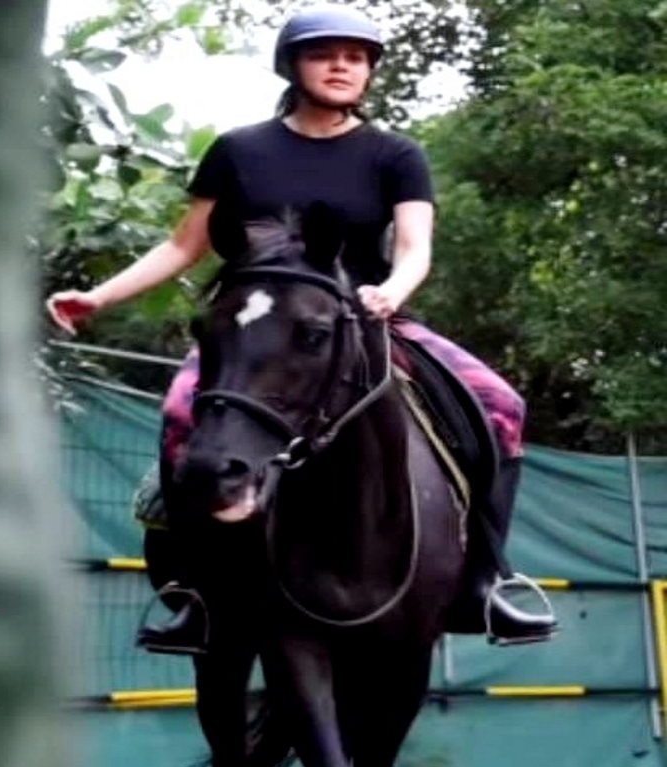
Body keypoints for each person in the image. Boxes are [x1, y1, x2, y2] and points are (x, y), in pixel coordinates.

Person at [47, 5, 557, 648]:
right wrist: (96, 297)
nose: (342, 66)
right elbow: (183, 246)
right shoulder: (238, 151)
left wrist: (391, 291)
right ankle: (196, 593)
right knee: (180, 415)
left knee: (502, 406)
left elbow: (415, 247)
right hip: (256, 331)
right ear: (293, 66)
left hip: (365, 318)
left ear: (369, 71)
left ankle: (484, 581)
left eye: (356, 57)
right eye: (324, 54)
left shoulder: (395, 154)